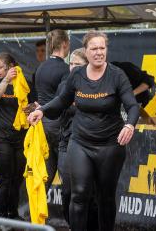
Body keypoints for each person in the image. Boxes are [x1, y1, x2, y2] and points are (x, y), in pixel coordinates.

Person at [28, 30, 140, 231]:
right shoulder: (77, 75)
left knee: (105, 196)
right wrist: (42, 111)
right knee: (78, 193)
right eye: (94, 48)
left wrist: (130, 124)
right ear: (85, 51)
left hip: (110, 146)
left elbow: (132, 106)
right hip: (80, 143)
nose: (99, 52)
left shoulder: (116, 75)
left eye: (102, 48)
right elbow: (62, 100)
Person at [57, 47, 98, 230]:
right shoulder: (64, 84)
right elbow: (59, 107)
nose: (72, 67)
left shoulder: (98, 83)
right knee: (67, 191)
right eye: (70, 63)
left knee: (91, 194)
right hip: (67, 143)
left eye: (77, 64)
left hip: (92, 145)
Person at [0, 52, 29, 220]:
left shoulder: (24, 84)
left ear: (11, 67)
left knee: (17, 179)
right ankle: (1, 216)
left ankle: (13, 213)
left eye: (0, 67)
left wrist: (33, 109)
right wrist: (5, 81)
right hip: (2, 138)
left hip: (20, 138)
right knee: (5, 179)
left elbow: (31, 104)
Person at [35, 30, 70, 190]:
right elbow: (63, 99)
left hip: (43, 124)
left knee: (47, 171)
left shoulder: (41, 68)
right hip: (58, 125)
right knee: (66, 173)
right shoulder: (64, 69)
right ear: (64, 44)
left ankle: (35, 212)